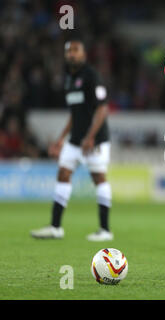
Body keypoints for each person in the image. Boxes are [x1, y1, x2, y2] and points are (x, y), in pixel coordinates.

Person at [31, 39, 113, 242]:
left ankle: (105, 230)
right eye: (69, 51)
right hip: (75, 139)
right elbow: (74, 113)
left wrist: (91, 136)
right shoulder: (68, 78)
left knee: (98, 178)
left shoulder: (91, 76)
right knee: (63, 173)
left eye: (76, 50)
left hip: (95, 140)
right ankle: (55, 227)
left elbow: (102, 108)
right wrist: (60, 139)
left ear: (84, 54)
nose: (72, 54)